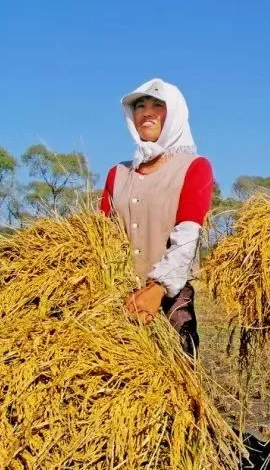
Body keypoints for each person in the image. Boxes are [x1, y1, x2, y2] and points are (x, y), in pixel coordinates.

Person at [100, 78, 214, 358]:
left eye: (157, 106)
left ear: (173, 114)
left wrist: (158, 289)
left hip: (169, 298)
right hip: (119, 298)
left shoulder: (194, 167)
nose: (146, 112)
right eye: (140, 106)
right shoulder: (118, 173)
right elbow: (102, 235)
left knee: (175, 386)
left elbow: (188, 235)